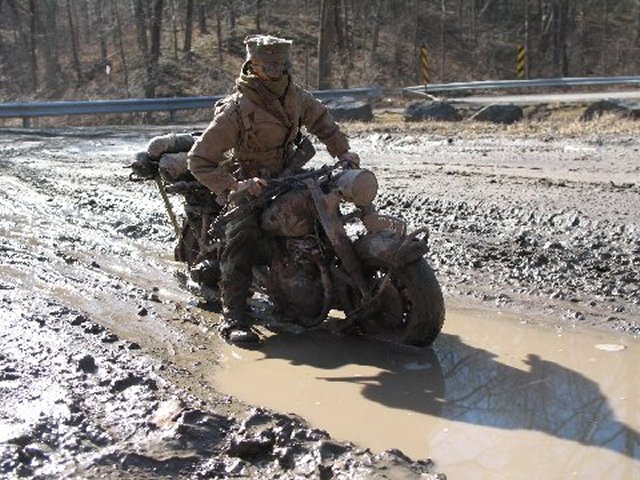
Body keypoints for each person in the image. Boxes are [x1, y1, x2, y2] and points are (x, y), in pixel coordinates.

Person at [187, 34, 360, 345]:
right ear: (253, 65)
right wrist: (236, 186)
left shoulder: (295, 95)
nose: (276, 69)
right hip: (250, 182)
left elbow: (322, 121)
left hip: (288, 174)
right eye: (268, 65)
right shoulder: (237, 109)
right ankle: (234, 317)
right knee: (242, 237)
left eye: (281, 64)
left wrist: (343, 152)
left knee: (324, 207)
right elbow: (198, 159)